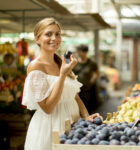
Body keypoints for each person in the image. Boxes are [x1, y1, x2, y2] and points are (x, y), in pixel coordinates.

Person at [22, 18, 102, 150]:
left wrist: (86, 116)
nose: (54, 38)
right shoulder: (36, 67)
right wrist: (62, 75)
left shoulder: (61, 62)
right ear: (37, 39)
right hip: (50, 129)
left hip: (73, 127)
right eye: (48, 34)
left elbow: (74, 96)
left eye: (57, 34)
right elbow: (47, 108)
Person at [73, 45, 100, 113]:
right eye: (78, 51)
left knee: (88, 107)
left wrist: (92, 81)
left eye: (80, 51)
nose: (78, 53)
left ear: (85, 52)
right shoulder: (74, 63)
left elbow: (97, 73)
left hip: (87, 89)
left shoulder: (91, 63)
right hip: (77, 89)